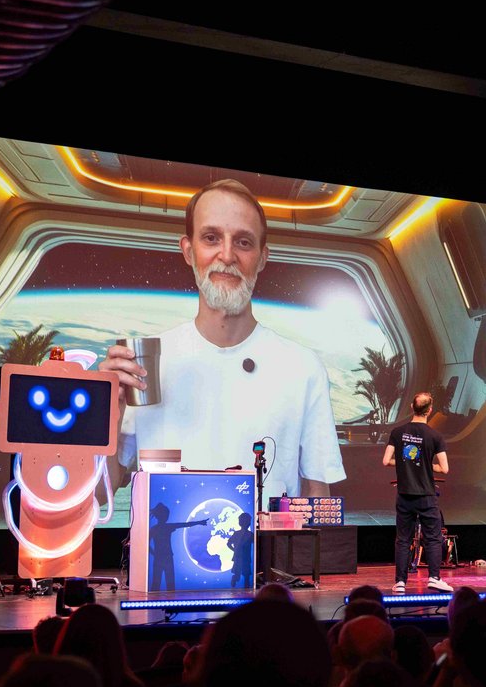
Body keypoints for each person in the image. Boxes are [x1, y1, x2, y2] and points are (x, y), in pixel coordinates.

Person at [100, 178, 346, 498]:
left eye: (243, 242)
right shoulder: (145, 364)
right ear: (189, 251)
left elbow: (317, 494)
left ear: (262, 257)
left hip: (268, 549)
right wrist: (105, 412)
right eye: (211, 238)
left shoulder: (303, 368)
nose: (226, 255)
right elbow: (101, 493)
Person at [383, 392, 452, 593]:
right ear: (430, 410)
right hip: (427, 496)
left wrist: (405, 464)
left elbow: (386, 461)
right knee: (433, 537)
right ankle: (434, 578)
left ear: (412, 407)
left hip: (404, 495)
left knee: (403, 539)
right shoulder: (435, 436)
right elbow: (445, 468)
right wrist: (427, 466)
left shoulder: (397, 432)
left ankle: (400, 582)